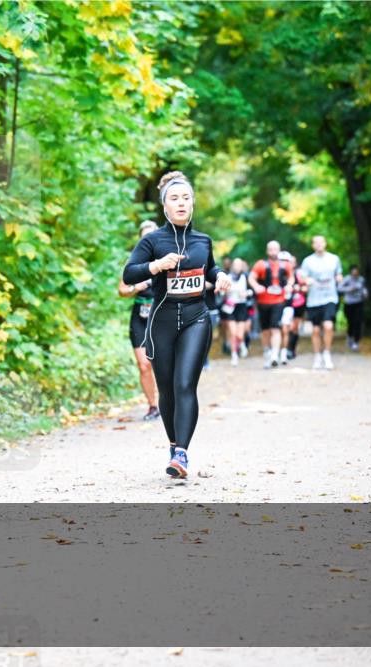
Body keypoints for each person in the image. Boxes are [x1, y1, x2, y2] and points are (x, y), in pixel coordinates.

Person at [123, 171, 230, 479]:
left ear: (192, 203)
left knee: (185, 384)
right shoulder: (152, 241)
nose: (181, 203)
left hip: (197, 318)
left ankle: (182, 453)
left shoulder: (203, 240)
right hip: (161, 323)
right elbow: (129, 274)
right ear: (165, 206)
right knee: (167, 391)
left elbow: (210, 268)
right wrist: (156, 265)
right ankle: (174, 445)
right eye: (174, 199)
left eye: (186, 198)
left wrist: (219, 276)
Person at [117, 220, 160, 421]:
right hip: (140, 316)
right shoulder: (134, 262)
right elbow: (122, 290)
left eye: (151, 235)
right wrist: (137, 287)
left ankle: (172, 401)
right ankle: (153, 406)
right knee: (144, 365)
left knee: (165, 363)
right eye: (144, 236)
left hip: (163, 315)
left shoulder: (168, 259)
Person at [248, 241, 294, 369]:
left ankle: (275, 355)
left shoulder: (285, 265)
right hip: (263, 302)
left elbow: (291, 277)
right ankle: (267, 353)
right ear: (267, 251)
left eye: (276, 249)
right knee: (265, 331)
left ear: (279, 250)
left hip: (278, 302)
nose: (273, 251)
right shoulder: (260, 264)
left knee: (276, 328)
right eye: (271, 249)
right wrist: (256, 286)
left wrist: (289, 285)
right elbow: (251, 277)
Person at [301, 235, 343, 370]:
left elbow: (339, 274)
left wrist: (339, 279)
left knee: (328, 326)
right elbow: (303, 277)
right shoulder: (307, 261)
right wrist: (306, 281)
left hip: (330, 297)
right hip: (314, 300)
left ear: (325, 244)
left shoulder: (334, 259)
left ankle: (327, 354)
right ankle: (317, 355)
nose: (319, 245)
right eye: (316, 243)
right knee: (315, 330)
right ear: (313, 245)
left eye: (321, 242)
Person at [222, 258, 250, 366]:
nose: (237, 267)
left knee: (239, 334)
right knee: (233, 333)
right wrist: (224, 291)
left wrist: (247, 293)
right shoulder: (227, 277)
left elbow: (252, 291)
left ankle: (242, 344)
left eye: (239, 265)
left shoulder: (245, 277)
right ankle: (234, 355)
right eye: (235, 265)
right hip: (230, 307)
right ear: (232, 266)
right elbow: (221, 293)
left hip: (241, 307)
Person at [338, 264, 368, 351]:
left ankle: (356, 341)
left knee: (358, 322)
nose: (355, 273)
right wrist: (349, 289)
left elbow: (364, 289)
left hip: (359, 303)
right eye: (353, 272)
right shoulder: (347, 279)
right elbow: (339, 288)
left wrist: (365, 293)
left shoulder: (361, 279)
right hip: (349, 303)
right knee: (351, 322)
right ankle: (350, 336)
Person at [285, 258, 308, 360]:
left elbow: (306, 288)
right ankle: (285, 349)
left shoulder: (300, 274)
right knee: (287, 327)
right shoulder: (283, 273)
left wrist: (298, 288)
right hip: (286, 303)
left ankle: (291, 349)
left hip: (299, 303)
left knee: (295, 327)